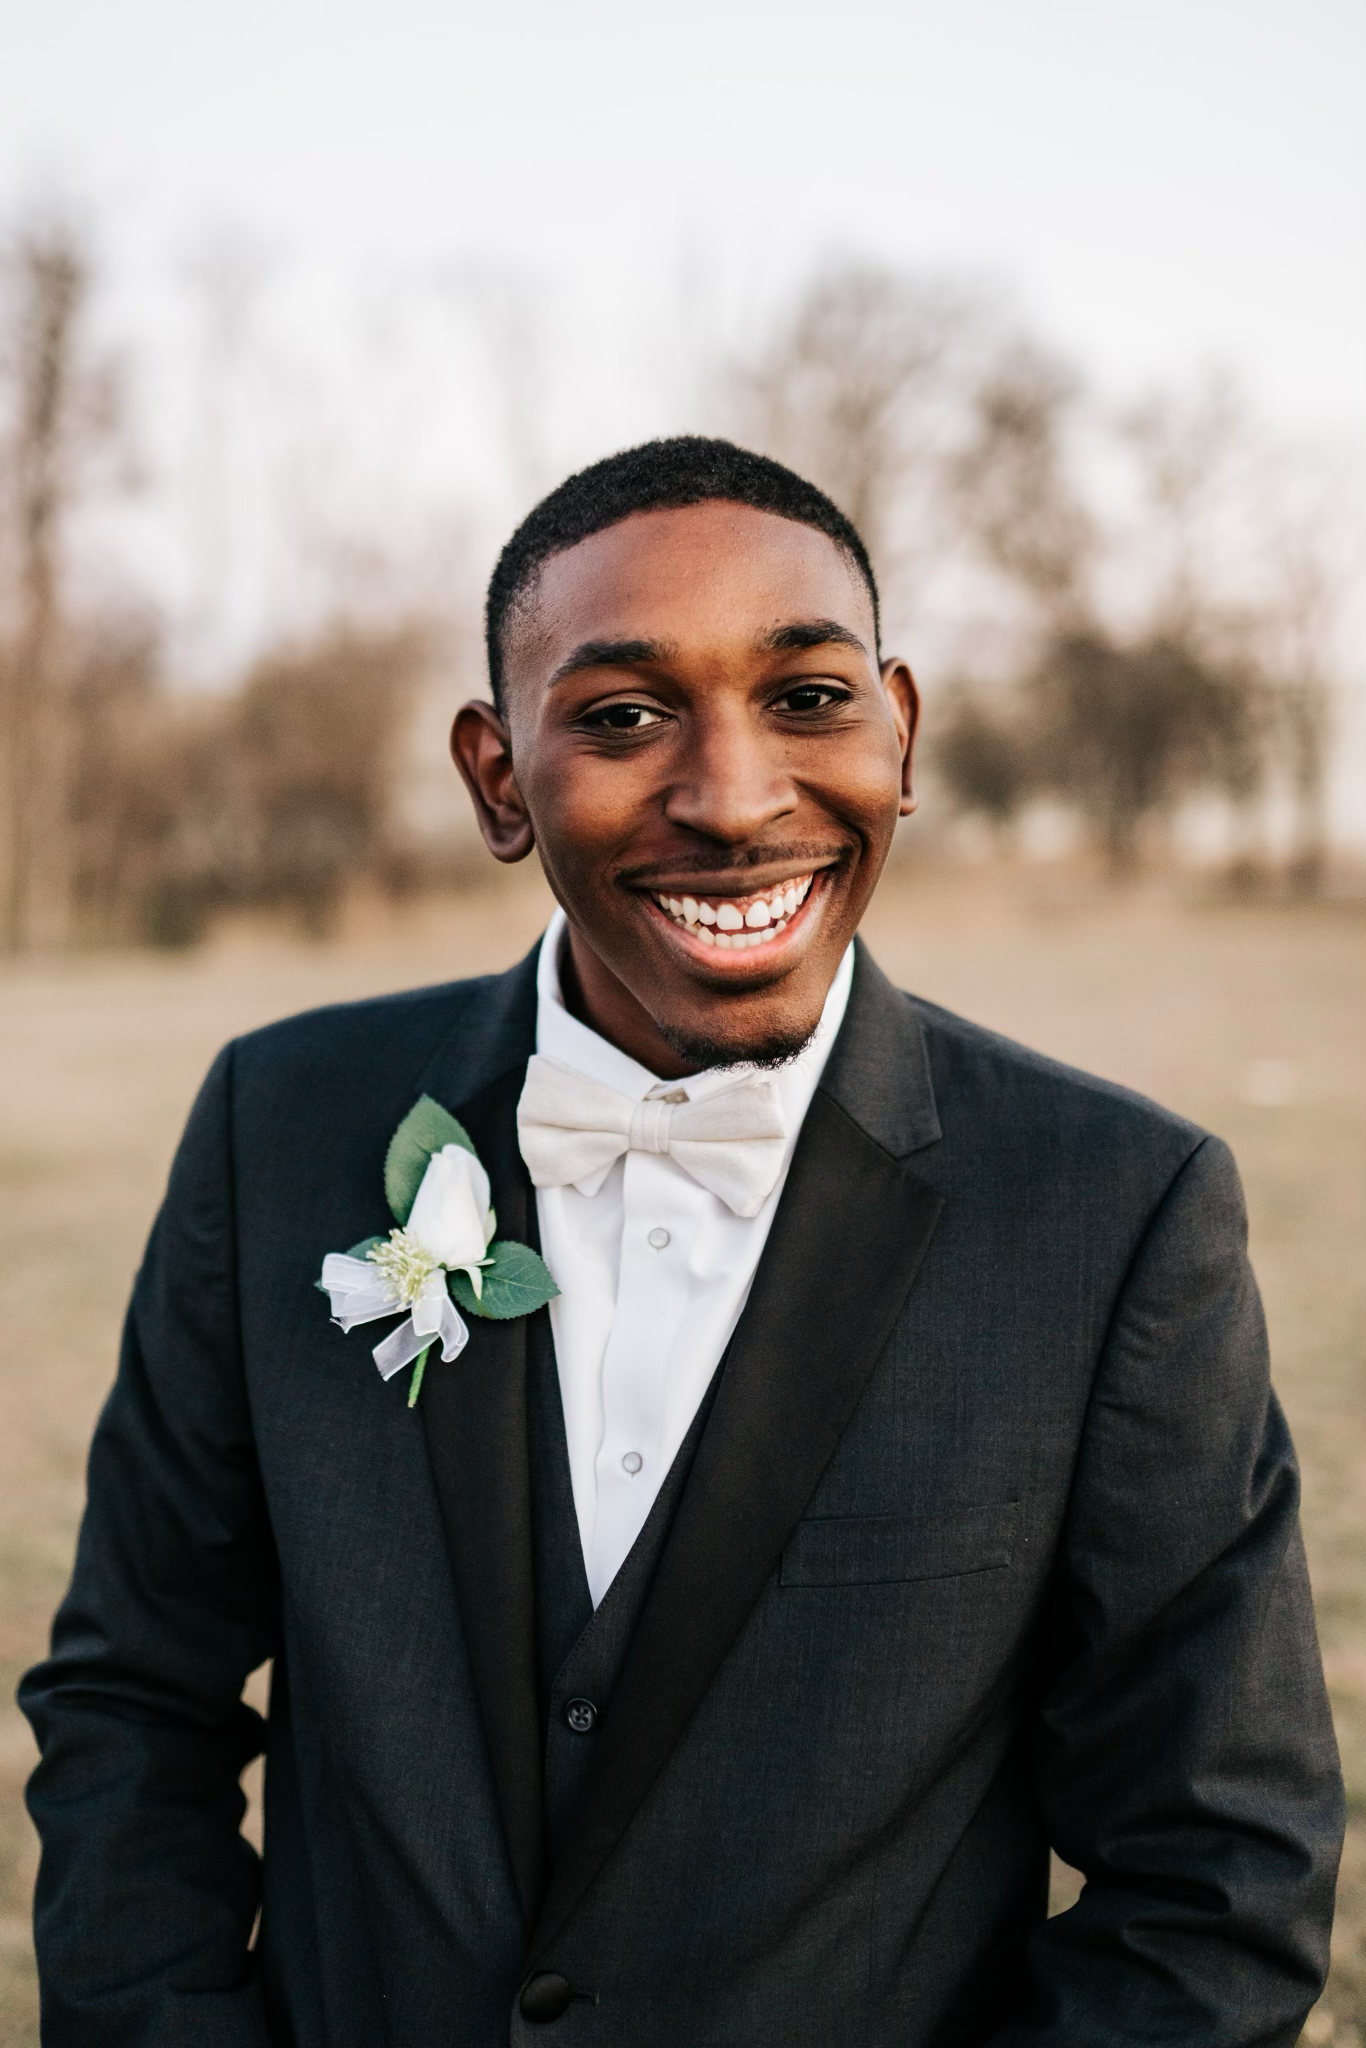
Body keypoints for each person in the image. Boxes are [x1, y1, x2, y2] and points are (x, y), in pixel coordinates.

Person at [21, 437, 1343, 2046]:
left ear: (900, 732)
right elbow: (132, 1704)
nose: (731, 799)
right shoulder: (278, 1122)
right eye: (624, 717)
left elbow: (1216, 1870)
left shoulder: (1116, 1211)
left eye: (806, 699)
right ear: (499, 778)